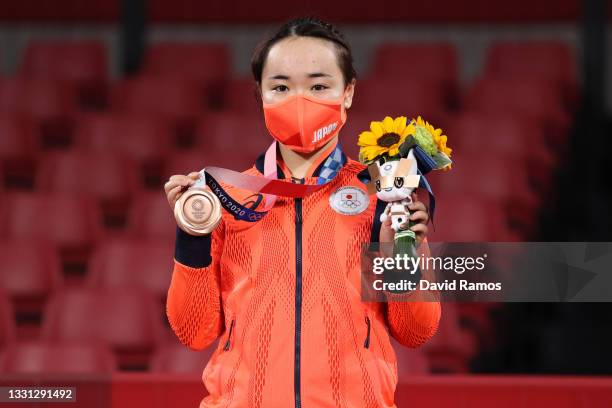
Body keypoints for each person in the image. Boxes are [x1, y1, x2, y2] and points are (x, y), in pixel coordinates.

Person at [164, 16, 441, 408]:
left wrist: (404, 255)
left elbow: (416, 331)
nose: (300, 99)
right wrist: (190, 234)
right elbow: (193, 331)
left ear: (347, 92)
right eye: (280, 86)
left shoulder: (381, 192)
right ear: (260, 94)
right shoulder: (225, 197)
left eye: (319, 85)